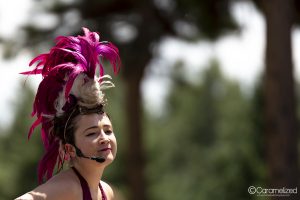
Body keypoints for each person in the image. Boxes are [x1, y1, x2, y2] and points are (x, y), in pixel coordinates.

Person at [15, 27, 121, 200]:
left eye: (108, 130)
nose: (104, 138)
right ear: (69, 149)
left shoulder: (106, 191)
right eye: (92, 133)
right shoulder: (69, 188)